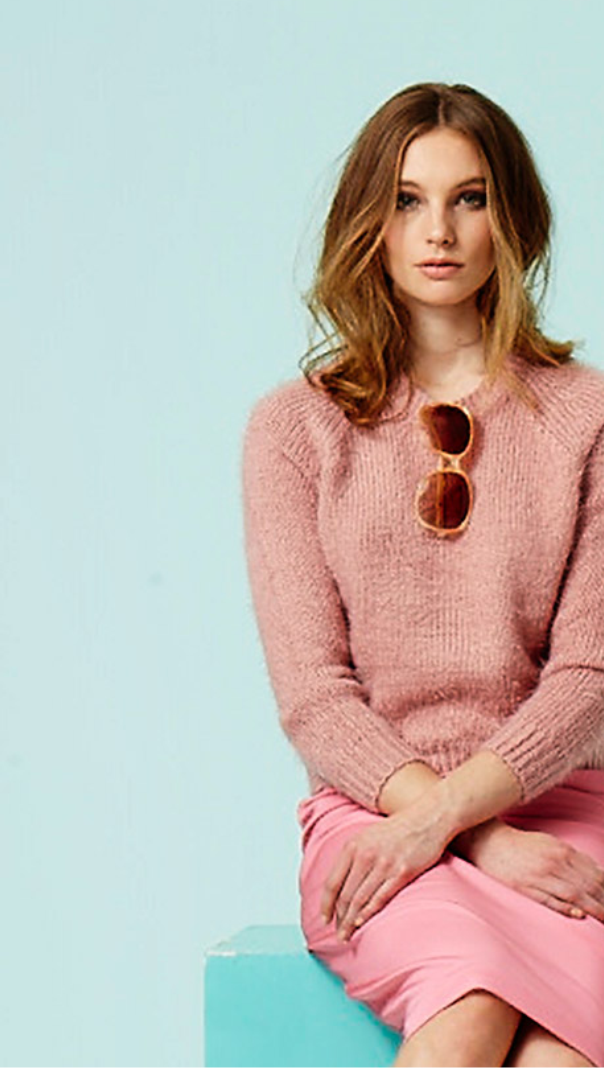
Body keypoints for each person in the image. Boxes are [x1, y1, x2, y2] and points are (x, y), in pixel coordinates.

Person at [241, 82, 604, 1068]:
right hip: (373, 813)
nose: (437, 230)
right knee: (472, 1002)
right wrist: (466, 834)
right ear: (370, 221)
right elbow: (314, 694)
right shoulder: (295, 430)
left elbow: (586, 678)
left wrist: (457, 819)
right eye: (407, 200)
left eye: (469, 198)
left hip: (561, 809)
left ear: (511, 219)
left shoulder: (586, 417)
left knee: (562, 1054)